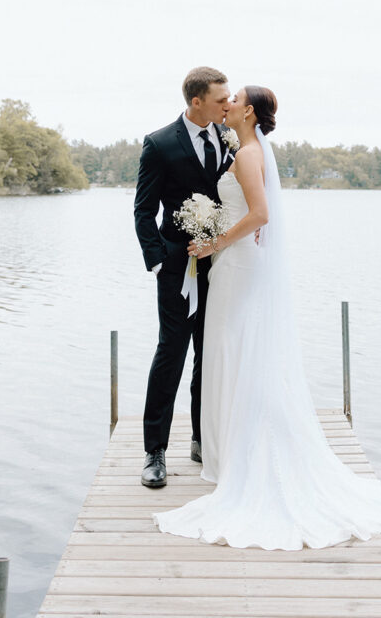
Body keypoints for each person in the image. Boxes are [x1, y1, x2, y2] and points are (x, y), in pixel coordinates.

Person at [153, 85, 381, 549]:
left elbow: (261, 214)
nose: (226, 103)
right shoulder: (244, 147)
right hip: (236, 263)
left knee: (233, 347)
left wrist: (213, 243)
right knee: (234, 349)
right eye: (221, 97)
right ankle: (231, 451)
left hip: (236, 261)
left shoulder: (247, 155)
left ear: (247, 111)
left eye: (234, 98)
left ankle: (243, 453)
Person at [134, 66, 235, 489]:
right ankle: (154, 450)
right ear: (197, 101)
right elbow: (143, 209)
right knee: (171, 352)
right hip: (177, 267)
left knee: (209, 353)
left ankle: (200, 437)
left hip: (224, 264)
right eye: (220, 99)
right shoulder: (159, 143)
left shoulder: (229, 139)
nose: (227, 105)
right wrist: (159, 260)